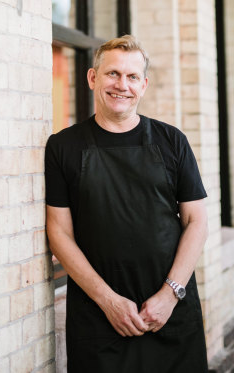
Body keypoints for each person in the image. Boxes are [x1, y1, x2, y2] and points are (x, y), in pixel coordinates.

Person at [45, 35, 209, 373]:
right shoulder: (63, 147)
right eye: (112, 74)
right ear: (93, 78)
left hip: (170, 313)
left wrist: (169, 295)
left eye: (132, 77)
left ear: (144, 85)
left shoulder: (171, 141)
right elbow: (59, 232)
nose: (122, 85)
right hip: (98, 317)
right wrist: (108, 301)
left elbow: (197, 222)